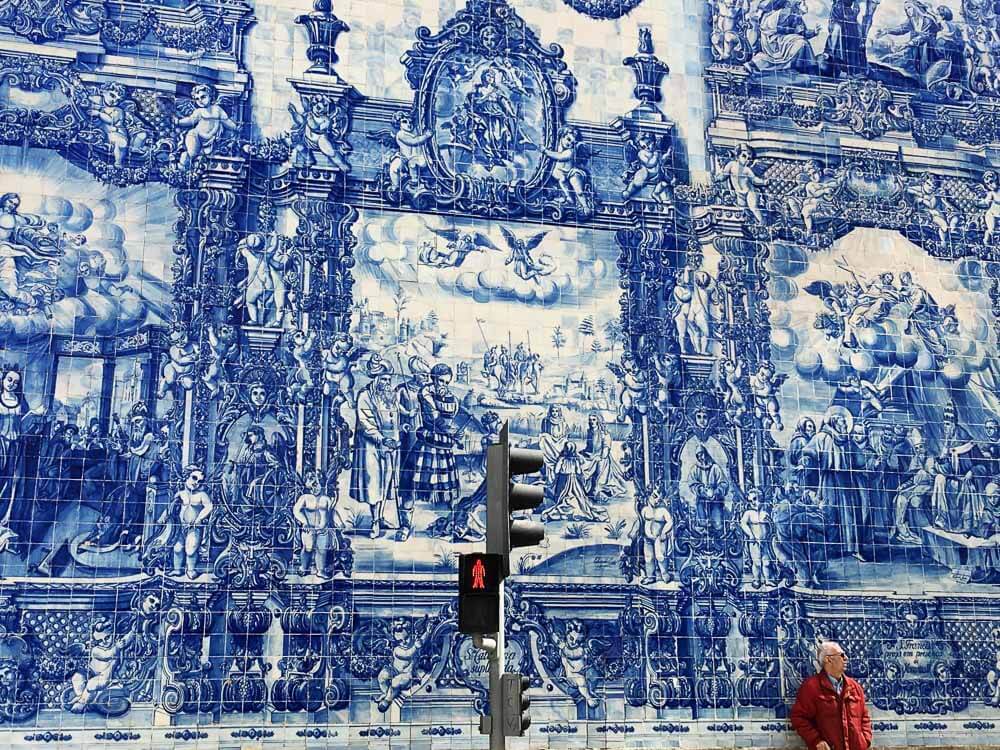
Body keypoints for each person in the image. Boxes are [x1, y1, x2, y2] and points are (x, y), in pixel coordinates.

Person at [349, 356, 400, 540]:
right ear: (376, 378)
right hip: (370, 447)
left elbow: (394, 420)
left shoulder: (390, 396)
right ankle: (375, 522)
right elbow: (366, 422)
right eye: (383, 379)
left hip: (389, 447)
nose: (387, 383)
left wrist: (395, 438)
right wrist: (381, 439)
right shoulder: (365, 396)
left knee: (386, 482)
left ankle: (380, 516)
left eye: (389, 379)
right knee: (374, 484)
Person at [791, 641, 872, 750]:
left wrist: (865, 740)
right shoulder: (811, 687)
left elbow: (864, 717)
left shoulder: (855, 687)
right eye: (842, 655)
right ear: (828, 659)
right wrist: (816, 740)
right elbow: (799, 718)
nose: (846, 658)